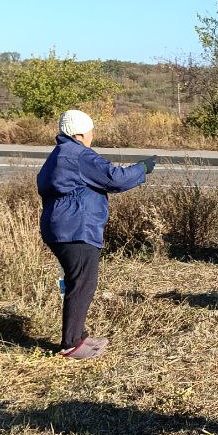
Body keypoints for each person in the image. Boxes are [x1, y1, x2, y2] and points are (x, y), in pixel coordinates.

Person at [37, 109, 155, 360]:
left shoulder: (58, 154)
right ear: (79, 133)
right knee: (82, 284)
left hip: (58, 227)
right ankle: (71, 344)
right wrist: (142, 168)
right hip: (76, 229)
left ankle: (78, 337)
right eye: (91, 131)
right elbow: (115, 179)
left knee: (76, 282)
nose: (93, 136)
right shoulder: (79, 155)